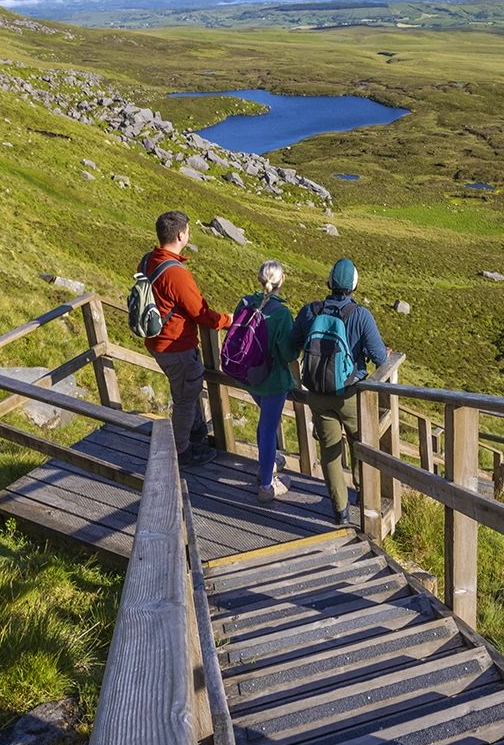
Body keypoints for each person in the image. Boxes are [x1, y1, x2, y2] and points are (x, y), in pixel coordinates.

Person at [293, 257, 391, 526]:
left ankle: (340, 511)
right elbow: (381, 358)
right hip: (349, 394)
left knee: (329, 451)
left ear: (329, 282)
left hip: (317, 395)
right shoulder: (360, 315)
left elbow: (293, 342)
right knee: (360, 444)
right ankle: (363, 493)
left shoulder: (310, 311)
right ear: (355, 287)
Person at [138, 210, 230, 467]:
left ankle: (195, 433)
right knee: (185, 397)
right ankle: (182, 449)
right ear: (181, 235)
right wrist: (228, 320)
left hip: (157, 343)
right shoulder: (176, 273)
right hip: (176, 346)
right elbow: (201, 313)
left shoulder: (147, 261)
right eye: (188, 231)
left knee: (183, 390)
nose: (188, 234)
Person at [231, 260, 299, 502]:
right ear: (282, 281)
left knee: (265, 423)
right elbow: (289, 354)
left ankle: (266, 464)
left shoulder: (246, 301)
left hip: (248, 376)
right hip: (272, 380)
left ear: (260, 279)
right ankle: (267, 486)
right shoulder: (281, 313)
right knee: (269, 428)